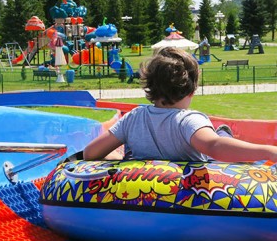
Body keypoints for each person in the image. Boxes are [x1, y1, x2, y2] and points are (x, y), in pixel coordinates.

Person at [83, 47, 277, 163]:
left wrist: (120, 161)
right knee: (220, 134)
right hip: (191, 188)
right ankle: (223, 131)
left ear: (150, 85)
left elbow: (90, 153)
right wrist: (267, 151)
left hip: (144, 199)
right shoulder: (188, 120)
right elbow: (214, 146)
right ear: (191, 90)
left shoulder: (133, 118)